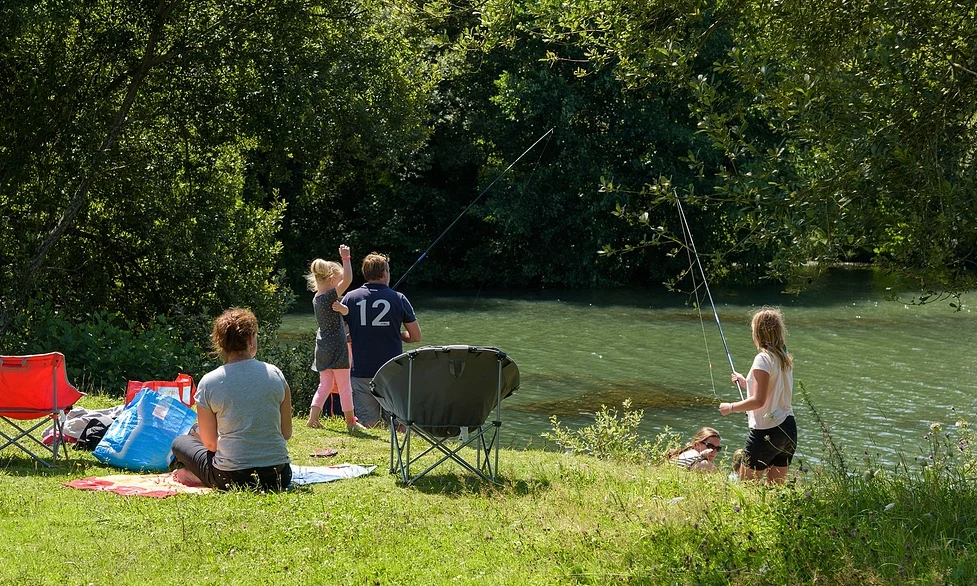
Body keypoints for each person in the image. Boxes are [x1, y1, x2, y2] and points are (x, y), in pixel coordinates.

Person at [171, 308, 293, 491]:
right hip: (278, 476)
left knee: (180, 442)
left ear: (220, 343)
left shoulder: (209, 382)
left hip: (231, 478)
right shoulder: (275, 374)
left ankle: (196, 475)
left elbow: (211, 445)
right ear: (251, 339)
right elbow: (286, 433)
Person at [342, 252, 421, 427]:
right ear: (385, 273)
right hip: (391, 371)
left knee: (367, 422)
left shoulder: (350, 298)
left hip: (361, 370)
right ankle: (398, 451)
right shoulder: (399, 298)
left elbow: (342, 335)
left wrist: (358, 333)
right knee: (398, 422)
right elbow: (415, 336)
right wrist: (396, 333)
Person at [719, 306, 797, 485]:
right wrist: (746, 383)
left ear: (758, 333)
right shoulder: (783, 357)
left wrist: (730, 407)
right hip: (789, 428)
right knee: (775, 489)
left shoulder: (762, 359)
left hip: (767, 430)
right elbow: (773, 390)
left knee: (746, 486)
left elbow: (759, 400)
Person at [305, 244, 366, 431]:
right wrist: (346, 258)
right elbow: (348, 279)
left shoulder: (318, 298)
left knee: (325, 384)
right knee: (345, 386)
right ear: (332, 281)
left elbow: (343, 310)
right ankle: (351, 422)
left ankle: (313, 419)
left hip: (322, 347)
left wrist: (344, 309)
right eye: (338, 281)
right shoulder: (328, 297)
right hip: (337, 348)